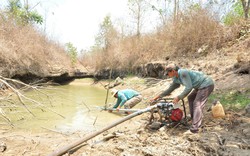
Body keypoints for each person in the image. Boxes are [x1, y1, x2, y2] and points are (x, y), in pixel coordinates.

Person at [151, 64, 214, 134]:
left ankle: (195, 128)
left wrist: (179, 97)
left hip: (206, 84)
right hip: (199, 86)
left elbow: (189, 87)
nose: (167, 75)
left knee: (197, 103)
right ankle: (194, 119)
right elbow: (171, 88)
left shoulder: (183, 73)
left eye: (168, 73)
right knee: (191, 98)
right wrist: (159, 96)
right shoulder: (176, 77)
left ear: (173, 71)